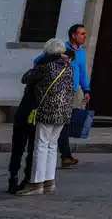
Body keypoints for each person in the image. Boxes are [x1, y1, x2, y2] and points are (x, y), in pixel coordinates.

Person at [17, 38, 74, 196]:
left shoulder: (46, 66)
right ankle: (49, 180)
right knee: (52, 145)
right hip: (63, 110)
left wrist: (40, 62)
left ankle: (36, 183)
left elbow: (26, 78)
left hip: (47, 109)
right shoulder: (67, 67)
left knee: (41, 145)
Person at [58, 24, 89, 168]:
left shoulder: (81, 52)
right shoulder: (63, 49)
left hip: (72, 90)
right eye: (82, 33)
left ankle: (66, 155)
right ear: (73, 35)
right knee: (62, 123)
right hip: (60, 90)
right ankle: (66, 155)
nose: (84, 36)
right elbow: (41, 60)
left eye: (85, 33)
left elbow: (82, 71)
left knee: (63, 122)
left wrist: (86, 89)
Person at [7, 68, 39, 193]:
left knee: (18, 149)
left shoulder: (34, 72)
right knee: (32, 149)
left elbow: (24, 79)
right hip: (34, 115)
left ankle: (13, 177)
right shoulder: (49, 72)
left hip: (23, 112)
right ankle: (26, 178)